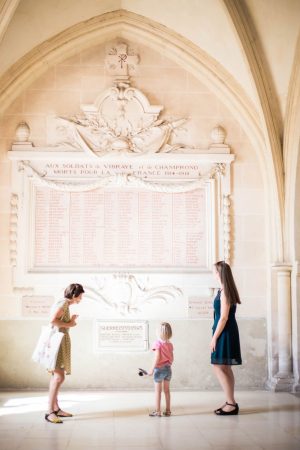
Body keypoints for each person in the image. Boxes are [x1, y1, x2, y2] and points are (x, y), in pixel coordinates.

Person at [45, 283, 85, 424]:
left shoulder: (64, 304)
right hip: (57, 343)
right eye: (80, 296)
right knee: (58, 377)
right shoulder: (63, 304)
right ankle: (50, 412)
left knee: (56, 376)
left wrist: (70, 320)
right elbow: (53, 321)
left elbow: (58, 321)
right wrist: (70, 325)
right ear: (75, 295)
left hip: (59, 342)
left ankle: (56, 408)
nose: (81, 299)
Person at [211, 261, 242, 415]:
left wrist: (214, 338)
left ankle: (231, 402)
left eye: (215, 271)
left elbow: (223, 318)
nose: (213, 274)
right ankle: (231, 402)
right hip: (225, 330)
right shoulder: (223, 290)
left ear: (220, 273)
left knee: (218, 366)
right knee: (225, 367)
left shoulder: (225, 292)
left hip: (225, 331)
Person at [148, 322, 174, 417]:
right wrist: (168, 364)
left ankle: (158, 411)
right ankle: (168, 410)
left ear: (158, 332)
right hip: (168, 369)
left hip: (159, 369)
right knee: (167, 391)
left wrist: (151, 369)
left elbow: (157, 357)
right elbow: (171, 357)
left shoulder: (157, 343)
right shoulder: (170, 345)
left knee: (158, 391)